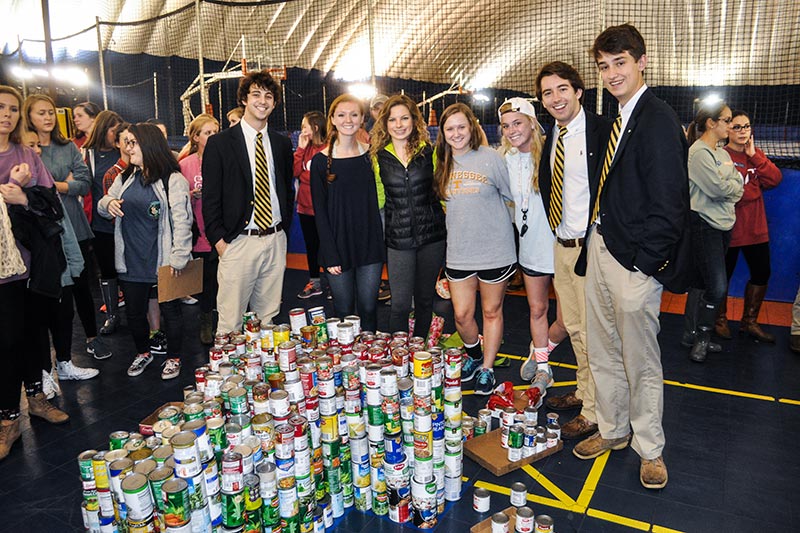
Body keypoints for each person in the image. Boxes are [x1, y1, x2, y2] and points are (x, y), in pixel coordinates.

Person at [573, 25, 691, 491]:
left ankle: (650, 448)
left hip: (633, 261)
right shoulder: (619, 116)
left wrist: (644, 264)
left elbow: (671, 203)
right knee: (602, 351)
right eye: (604, 66)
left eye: (620, 62)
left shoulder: (656, 118)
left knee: (640, 359)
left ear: (642, 62)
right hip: (600, 247)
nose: (612, 73)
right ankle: (614, 428)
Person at [534, 61, 615, 441]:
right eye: (547, 93)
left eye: (562, 89)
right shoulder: (555, 134)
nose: (555, 98)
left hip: (592, 247)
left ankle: (596, 412)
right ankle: (586, 393)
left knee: (594, 333)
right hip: (562, 246)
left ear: (579, 91)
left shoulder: (601, 131)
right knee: (577, 329)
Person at [1, 85, 70, 460]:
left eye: (12, 109)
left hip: (32, 266)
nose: (7, 114)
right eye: (0, 107)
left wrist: (25, 195)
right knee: (6, 342)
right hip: (1, 274)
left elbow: (52, 205)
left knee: (34, 336)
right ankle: (9, 419)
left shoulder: (27, 154)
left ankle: (38, 400)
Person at [98, 123, 193, 379]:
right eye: (126, 143)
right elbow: (102, 203)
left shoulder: (172, 179)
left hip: (163, 261)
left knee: (171, 312)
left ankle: (173, 358)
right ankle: (143, 353)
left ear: (149, 144)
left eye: (133, 143)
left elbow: (183, 222)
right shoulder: (125, 177)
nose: (128, 148)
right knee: (134, 313)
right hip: (131, 261)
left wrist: (179, 258)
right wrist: (110, 203)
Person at [203, 70, 294, 333]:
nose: (262, 101)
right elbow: (210, 199)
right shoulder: (220, 144)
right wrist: (220, 243)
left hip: (275, 239)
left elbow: (286, 188)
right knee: (230, 323)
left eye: (268, 96)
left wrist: (282, 231)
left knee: (267, 322)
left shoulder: (280, 143)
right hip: (238, 242)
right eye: (256, 94)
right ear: (244, 99)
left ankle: (262, 373)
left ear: (274, 103)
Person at [434, 102, 516, 395]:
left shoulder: (490, 158)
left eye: (461, 127)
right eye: (450, 129)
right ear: (443, 133)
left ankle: (488, 368)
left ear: (471, 128)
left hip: (495, 249)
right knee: (462, 316)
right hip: (459, 252)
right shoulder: (442, 162)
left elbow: (511, 197)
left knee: (491, 311)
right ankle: (475, 356)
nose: (456, 133)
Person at [23, 94, 107, 379]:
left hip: (74, 226)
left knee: (81, 287)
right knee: (47, 298)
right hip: (43, 233)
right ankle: (47, 367)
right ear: (29, 117)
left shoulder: (66, 146)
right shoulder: (26, 150)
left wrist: (56, 186)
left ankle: (91, 341)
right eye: (41, 113)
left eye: (51, 112)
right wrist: (63, 184)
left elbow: (84, 184)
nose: (47, 118)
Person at [497, 97, 568, 388]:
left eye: (517, 122)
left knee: (568, 321)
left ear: (531, 122)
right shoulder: (504, 161)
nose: (512, 130)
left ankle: (540, 349)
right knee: (537, 309)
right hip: (530, 248)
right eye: (505, 126)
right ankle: (542, 366)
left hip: (563, 246)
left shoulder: (553, 153)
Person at [371, 94, 446, 338]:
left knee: (424, 301)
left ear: (414, 121)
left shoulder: (428, 152)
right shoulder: (378, 157)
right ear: (385, 123)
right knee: (400, 304)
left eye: (404, 118)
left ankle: (420, 351)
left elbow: (441, 192)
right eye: (393, 119)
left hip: (432, 239)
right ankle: (400, 358)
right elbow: (378, 199)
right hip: (398, 241)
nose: (399, 124)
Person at [311, 94, 385, 331]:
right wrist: (330, 253)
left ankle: (370, 363)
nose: (348, 119)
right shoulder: (320, 162)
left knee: (369, 308)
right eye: (341, 114)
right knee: (343, 311)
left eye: (354, 114)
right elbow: (320, 213)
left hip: (369, 246)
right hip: (338, 248)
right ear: (332, 119)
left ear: (363, 118)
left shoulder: (371, 156)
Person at [682, 101, 743, 362]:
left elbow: (737, 186)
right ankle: (703, 337)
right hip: (705, 224)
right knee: (717, 287)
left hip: (724, 225)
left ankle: (690, 334)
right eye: (727, 120)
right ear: (711, 123)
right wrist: (730, 185)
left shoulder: (722, 153)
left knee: (702, 281)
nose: (730, 125)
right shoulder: (699, 153)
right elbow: (719, 189)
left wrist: (729, 185)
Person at [719, 110, 783, 342]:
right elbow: (735, 194)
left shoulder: (756, 156)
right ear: (727, 130)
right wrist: (754, 190)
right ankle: (720, 319)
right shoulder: (720, 155)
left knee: (762, 272)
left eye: (746, 126)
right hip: (729, 230)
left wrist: (755, 155)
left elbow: (774, 179)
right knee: (721, 277)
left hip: (756, 230)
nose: (743, 131)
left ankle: (749, 322)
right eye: (737, 127)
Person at [179, 113, 221, 344]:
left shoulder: (225, 159)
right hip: (198, 233)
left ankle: (225, 322)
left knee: (224, 281)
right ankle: (206, 323)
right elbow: (174, 197)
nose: (213, 136)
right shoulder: (185, 164)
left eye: (215, 132)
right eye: (207, 133)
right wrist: (190, 195)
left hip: (223, 233)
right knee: (205, 283)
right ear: (195, 137)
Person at [85, 110, 125, 335]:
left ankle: (137, 311)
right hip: (101, 225)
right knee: (107, 269)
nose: (117, 135)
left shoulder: (125, 150)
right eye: (114, 131)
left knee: (128, 271)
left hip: (125, 225)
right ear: (103, 129)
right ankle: (112, 315)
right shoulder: (88, 154)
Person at [294, 110, 329, 300]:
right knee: (312, 246)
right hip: (305, 209)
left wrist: (306, 177)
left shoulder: (330, 148)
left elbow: (325, 178)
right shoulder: (304, 148)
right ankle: (315, 282)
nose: (302, 130)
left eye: (304, 126)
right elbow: (294, 171)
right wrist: (300, 149)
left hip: (325, 210)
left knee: (330, 246)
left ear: (315, 127)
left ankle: (334, 283)